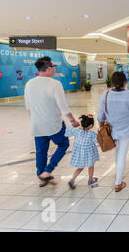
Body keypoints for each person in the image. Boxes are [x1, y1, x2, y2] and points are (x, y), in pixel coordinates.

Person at [24, 56, 80, 187]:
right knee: (63, 144)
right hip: (54, 124)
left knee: (41, 151)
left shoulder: (29, 84)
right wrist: (72, 120)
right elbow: (63, 106)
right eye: (54, 66)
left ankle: (42, 177)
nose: (55, 69)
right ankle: (47, 172)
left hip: (37, 125)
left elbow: (28, 106)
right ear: (48, 68)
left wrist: (35, 119)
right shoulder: (55, 84)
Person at [97, 71, 129, 192]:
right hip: (126, 129)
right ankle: (118, 182)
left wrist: (100, 122)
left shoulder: (106, 94)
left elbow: (100, 114)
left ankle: (118, 173)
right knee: (122, 153)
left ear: (112, 82)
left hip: (111, 129)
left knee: (118, 151)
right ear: (125, 82)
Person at [66, 115, 100, 189]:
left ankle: (72, 180)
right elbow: (98, 141)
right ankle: (90, 180)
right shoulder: (91, 134)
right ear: (91, 125)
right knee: (91, 166)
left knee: (80, 167)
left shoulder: (77, 130)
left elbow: (67, 133)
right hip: (89, 154)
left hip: (79, 154)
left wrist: (73, 125)